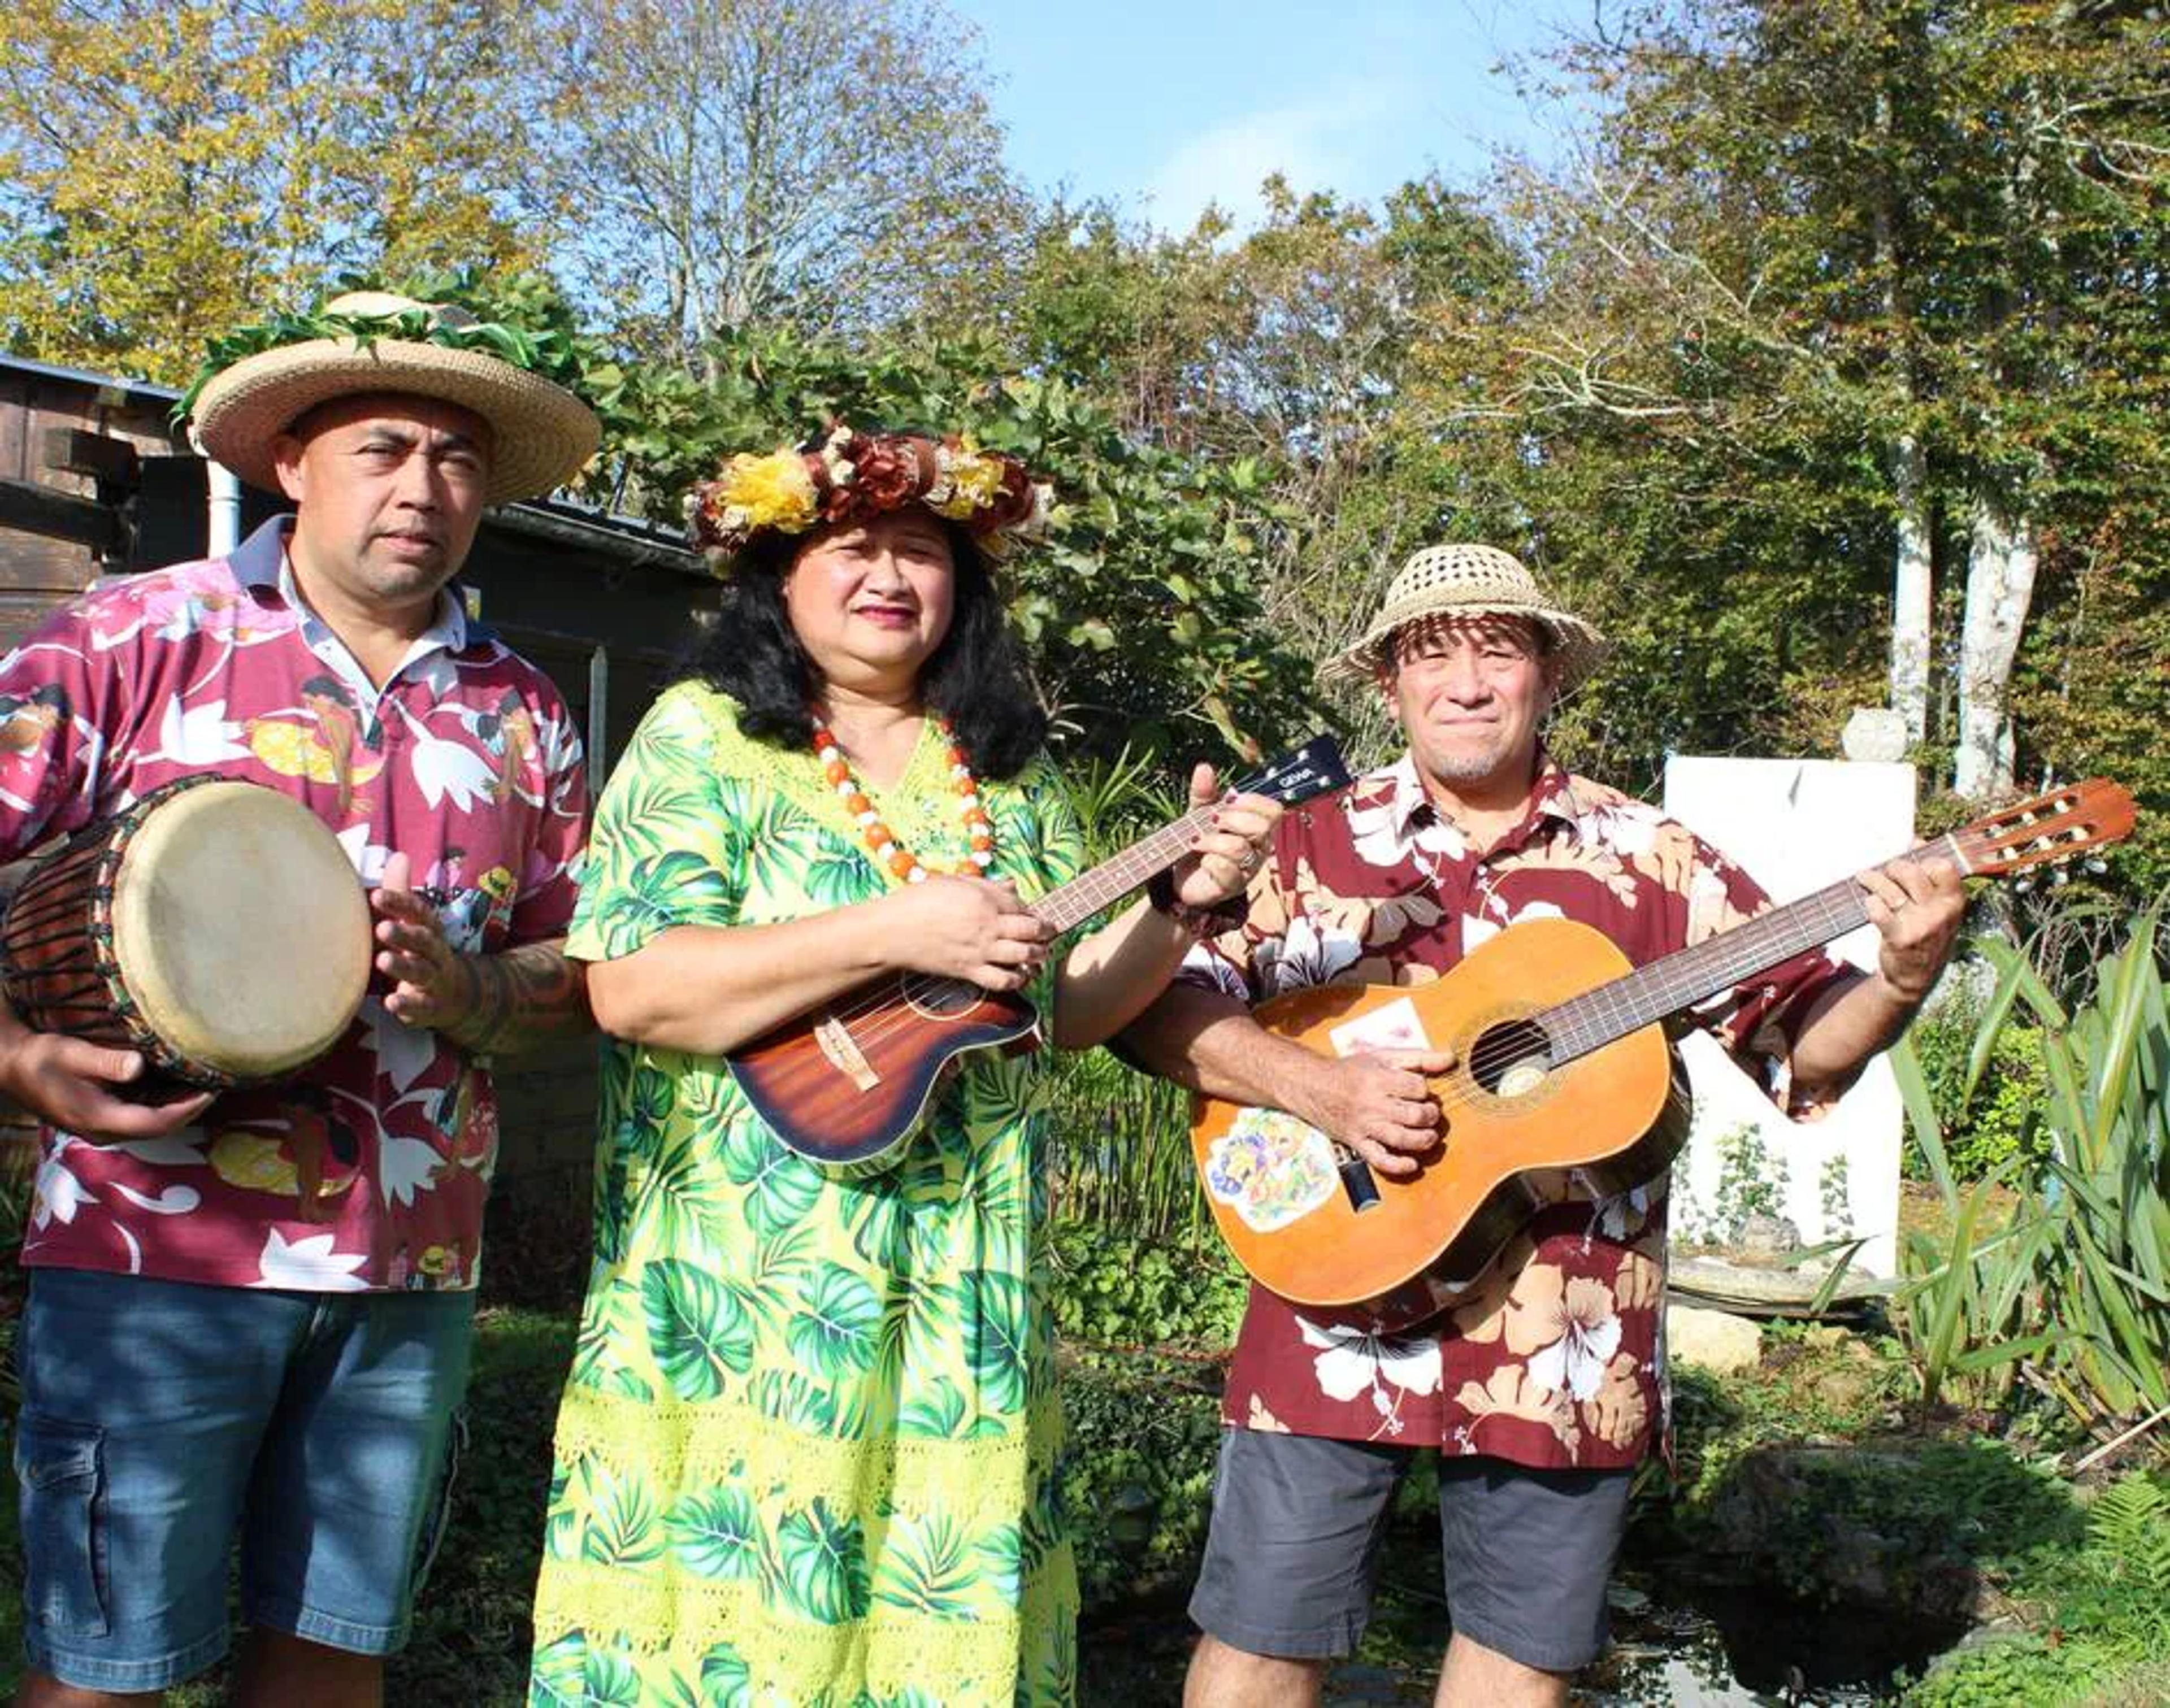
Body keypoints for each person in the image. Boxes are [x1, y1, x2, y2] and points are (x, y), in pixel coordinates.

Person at [1117, 543, 1967, 1708]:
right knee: (1261, 1640)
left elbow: (1804, 1040)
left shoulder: (1653, 858)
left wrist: (1906, 974)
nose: (1465, 683)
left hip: (1568, 1320)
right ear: (1388, 686)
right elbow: (1153, 1007)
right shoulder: (1306, 845)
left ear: (1550, 672)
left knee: (1520, 1665)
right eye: (1431, 654)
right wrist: (1318, 1090)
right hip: (1331, 1282)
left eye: (1497, 649)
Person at [524, 425, 1282, 1706]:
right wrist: (889, 926)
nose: (888, 575)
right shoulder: (704, 738)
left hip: (959, 1292)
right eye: (852, 547)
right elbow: (634, 988)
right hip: (739, 1292)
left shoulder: (1008, 777)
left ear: (962, 591)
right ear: (780, 576)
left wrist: (1178, 911)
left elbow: (1069, 1012)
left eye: (922, 553)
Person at [1, 291, 600, 1707]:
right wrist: (16, 1060)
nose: (423, 488)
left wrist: (474, 991)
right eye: (383, 448)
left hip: (411, 1271)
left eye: (457, 461)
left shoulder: (524, 709)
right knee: (106, 1670)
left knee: (331, 1665)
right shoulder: (134, 636)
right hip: (154, 1259)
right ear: (290, 462)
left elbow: (576, 971)